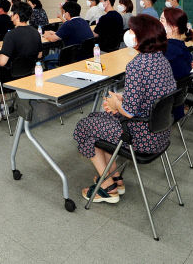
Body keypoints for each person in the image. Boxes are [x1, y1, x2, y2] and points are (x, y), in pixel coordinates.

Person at [73, 14, 176, 203]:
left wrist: (116, 104)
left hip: (140, 137)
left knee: (84, 127)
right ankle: (114, 176)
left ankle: (107, 187)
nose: (128, 34)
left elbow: (128, 112)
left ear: (141, 37)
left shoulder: (137, 65)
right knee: (97, 117)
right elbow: (152, 94)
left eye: (132, 31)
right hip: (160, 132)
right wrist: (122, 98)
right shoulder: (161, 60)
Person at [0, 2, 43, 122]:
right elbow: (39, 55)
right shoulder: (35, 32)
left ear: (17, 16)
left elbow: (2, 62)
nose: (10, 15)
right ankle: (4, 107)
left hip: (9, 77)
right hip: (27, 73)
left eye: (12, 13)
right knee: (0, 71)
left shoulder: (11, 35)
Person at [43, 1, 94, 68]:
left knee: (46, 58)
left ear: (67, 13)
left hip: (71, 56)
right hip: (85, 55)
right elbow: (68, 33)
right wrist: (54, 33)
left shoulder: (68, 24)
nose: (63, 14)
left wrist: (46, 35)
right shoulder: (83, 21)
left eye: (63, 12)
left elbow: (53, 39)